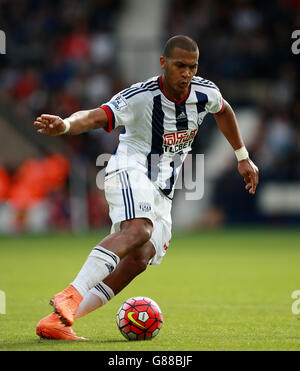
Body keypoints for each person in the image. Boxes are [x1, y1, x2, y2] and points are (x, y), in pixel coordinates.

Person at [34, 35, 259, 340]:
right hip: (129, 168)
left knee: (140, 259)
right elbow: (96, 116)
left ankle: (57, 321)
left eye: (192, 67)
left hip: (162, 190)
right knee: (139, 229)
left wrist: (242, 157)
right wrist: (66, 125)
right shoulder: (140, 96)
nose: (187, 73)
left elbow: (224, 111)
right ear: (164, 63)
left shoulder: (206, 92)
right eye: (180, 66)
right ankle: (70, 294)